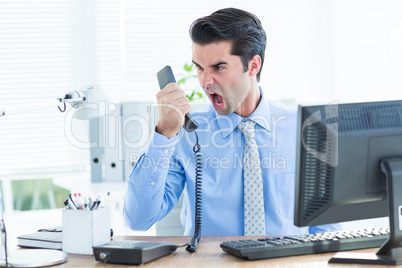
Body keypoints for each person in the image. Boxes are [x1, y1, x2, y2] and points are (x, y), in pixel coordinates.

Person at [123, 8, 339, 236]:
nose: (205, 82)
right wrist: (164, 134)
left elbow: (326, 229)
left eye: (219, 67)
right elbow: (138, 220)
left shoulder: (306, 129)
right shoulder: (187, 134)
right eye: (199, 67)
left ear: (253, 66)